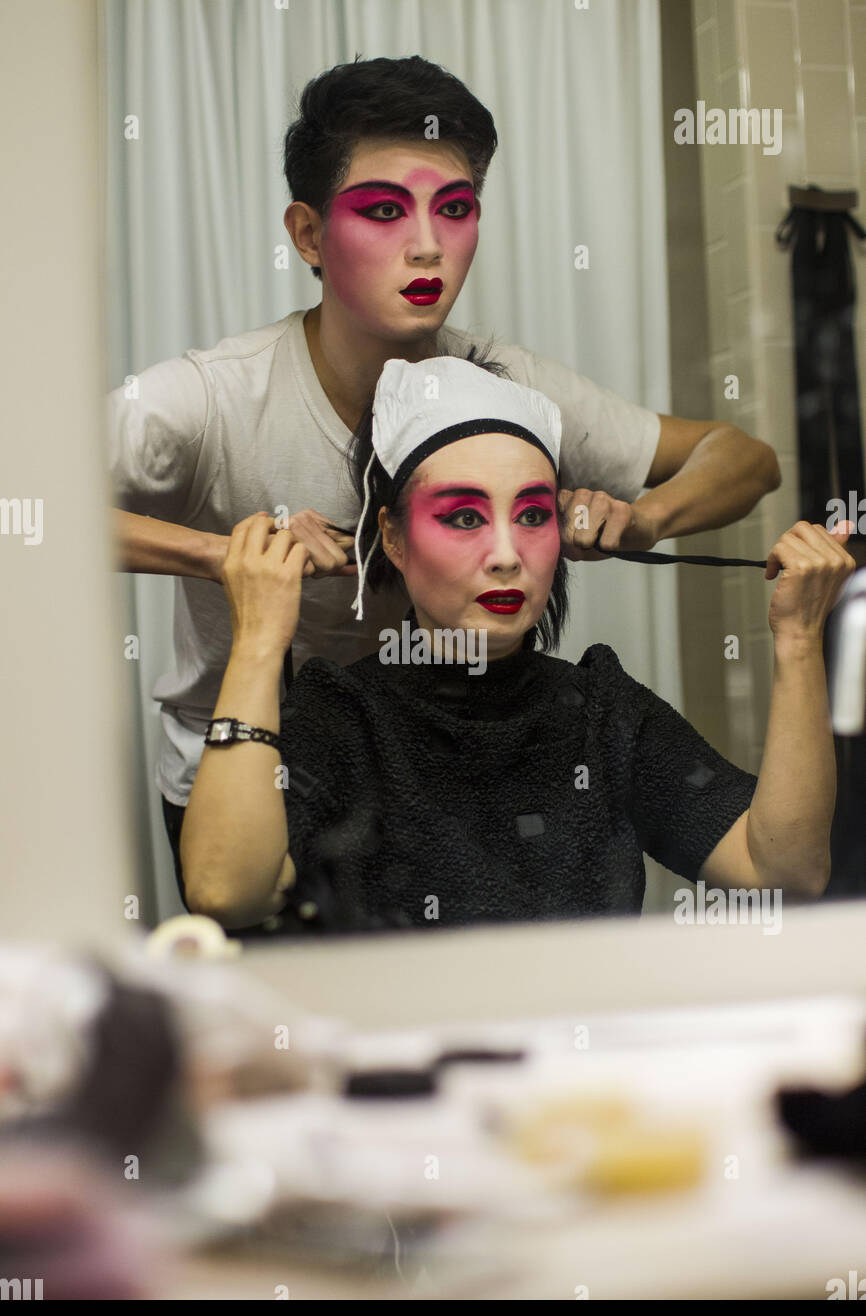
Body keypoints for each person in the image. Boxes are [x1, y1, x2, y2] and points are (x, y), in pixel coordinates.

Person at [107, 55, 781, 898]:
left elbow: (746, 459)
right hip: (253, 765)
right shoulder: (207, 400)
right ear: (309, 234)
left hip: (435, 762)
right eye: (385, 212)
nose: (427, 245)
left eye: (454, 210)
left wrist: (648, 518)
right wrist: (227, 557)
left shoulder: (507, 387)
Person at [178, 352, 853, 935]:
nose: (507, 554)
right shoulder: (339, 718)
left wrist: (798, 644)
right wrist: (260, 639)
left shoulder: (601, 713)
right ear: (392, 536)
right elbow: (225, 893)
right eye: (464, 517)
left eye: (532, 515)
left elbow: (783, 872)